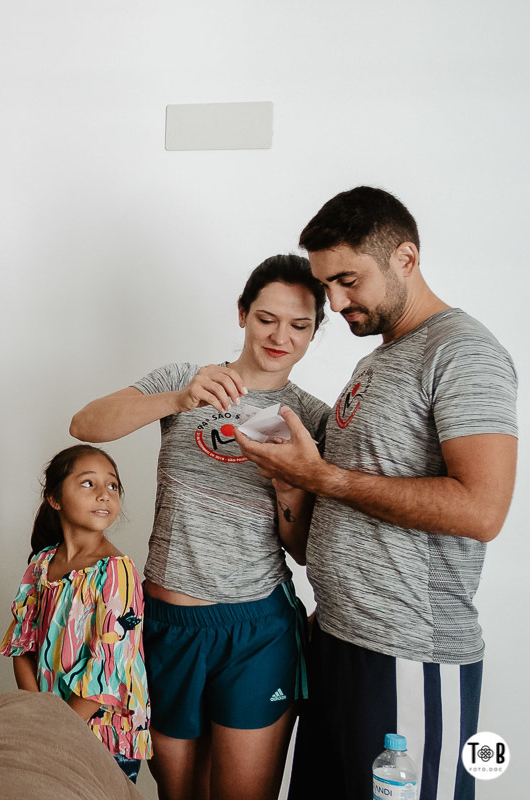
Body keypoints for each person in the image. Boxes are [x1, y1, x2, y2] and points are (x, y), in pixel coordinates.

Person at [236, 188, 518, 800]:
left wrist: (324, 478)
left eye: (348, 281)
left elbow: (483, 510)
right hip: (338, 642)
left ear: (405, 259)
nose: (335, 303)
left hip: (410, 655)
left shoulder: (462, 351)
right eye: (326, 285)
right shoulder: (379, 360)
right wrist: (292, 482)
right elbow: (350, 512)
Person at [70, 255, 329, 800]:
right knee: (177, 790)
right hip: (167, 623)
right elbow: (85, 424)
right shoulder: (185, 381)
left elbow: (304, 549)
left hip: (256, 629)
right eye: (266, 318)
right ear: (242, 313)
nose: (280, 336)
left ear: (314, 333)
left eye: (299, 325)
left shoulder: (312, 418)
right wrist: (179, 399)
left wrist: (289, 489)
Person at [0, 445, 152, 783]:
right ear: (54, 498)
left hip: (103, 739)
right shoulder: (41, 565)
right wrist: (39, 717)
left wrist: (57, 729)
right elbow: (22, 645)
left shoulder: (116, 572)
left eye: (112, 485)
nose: (104, 494)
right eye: (88, 483)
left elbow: (108, 670)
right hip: (49, 729)